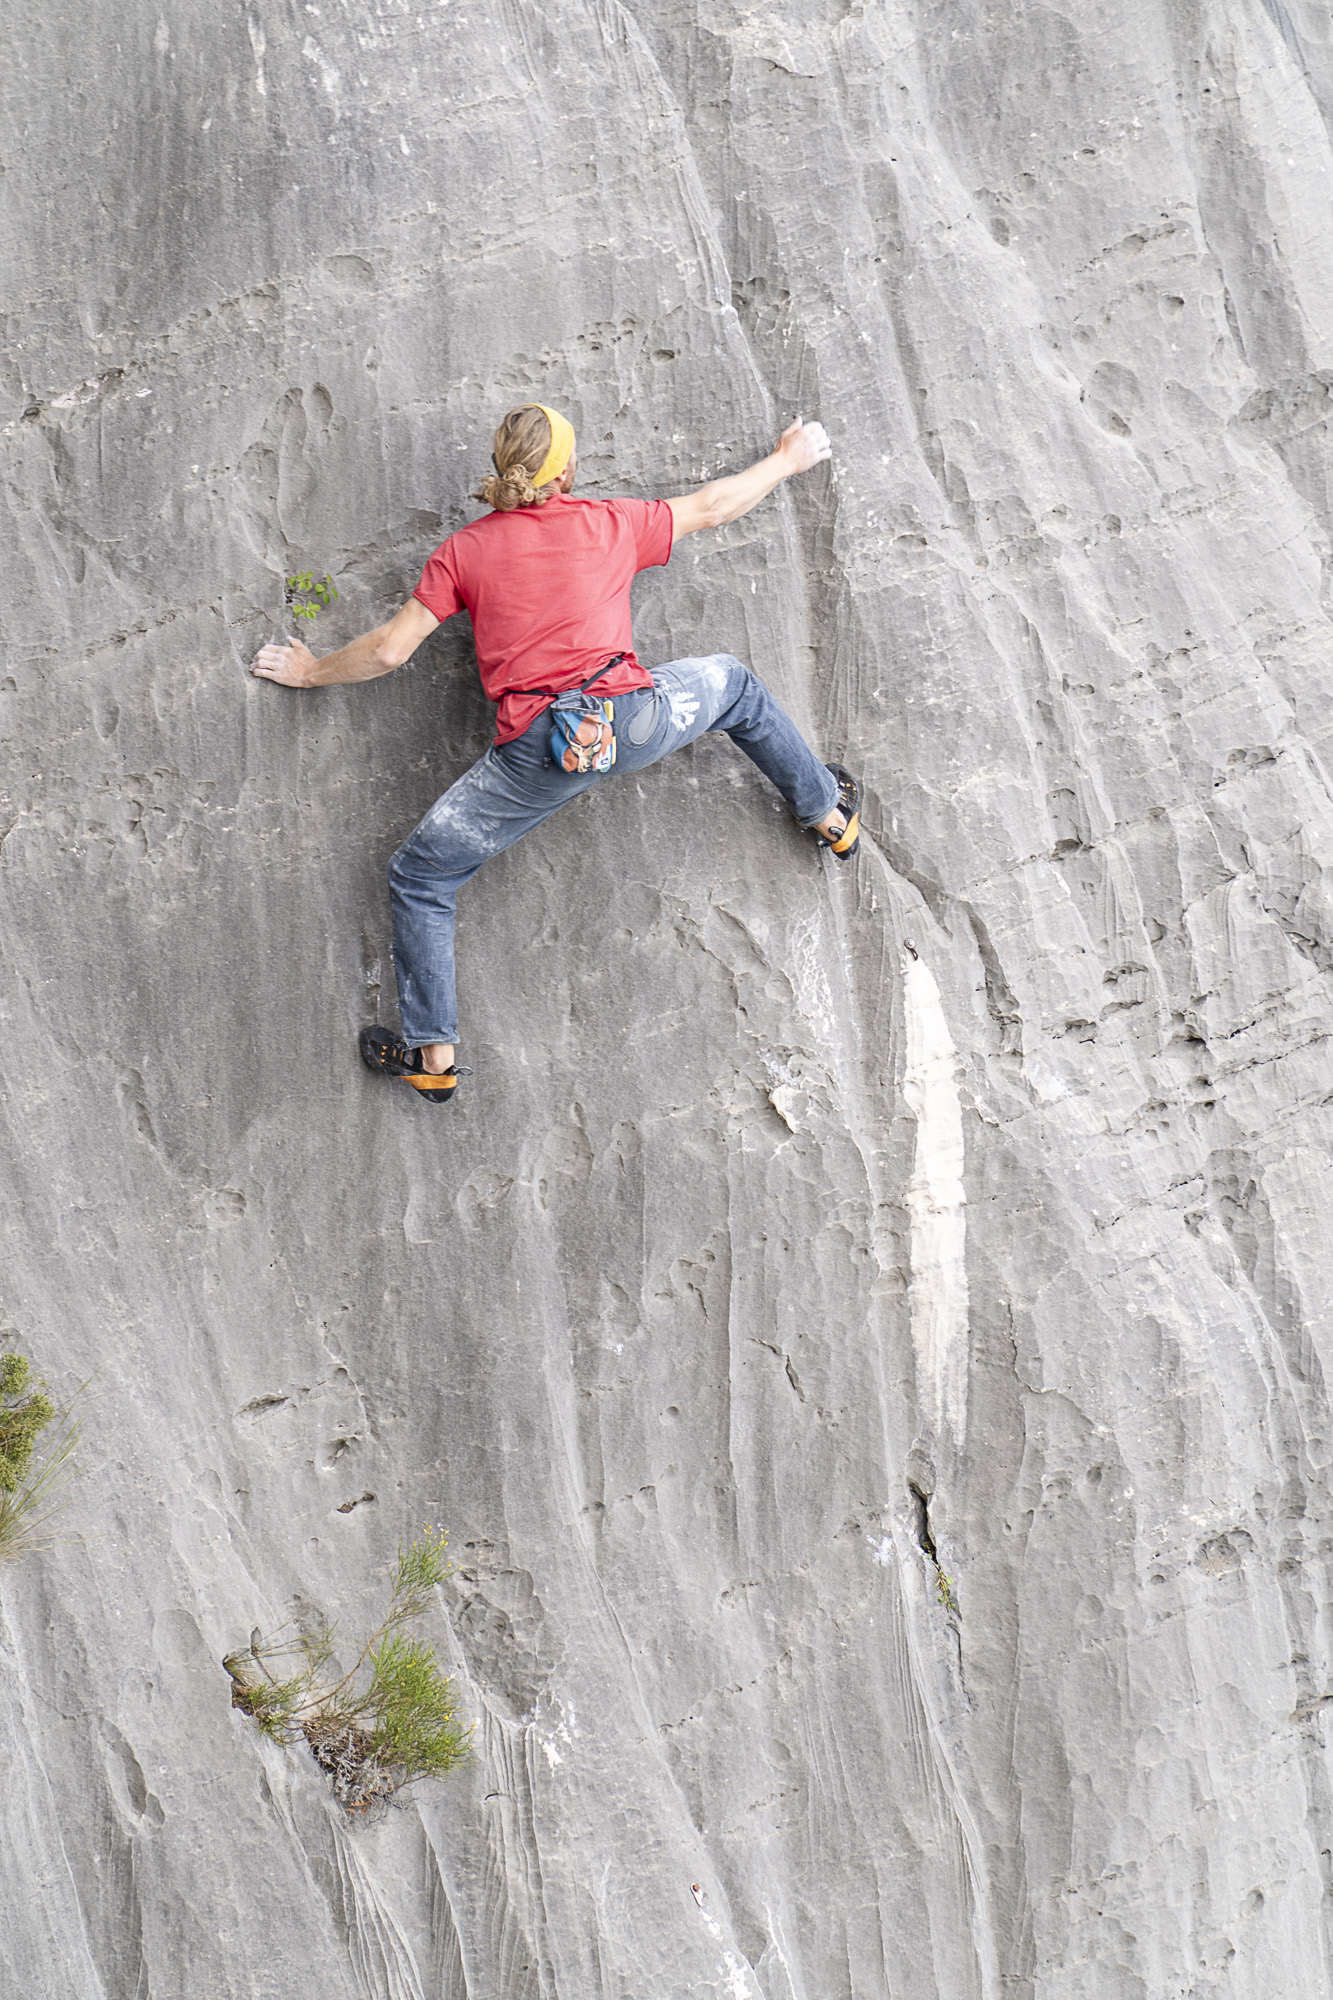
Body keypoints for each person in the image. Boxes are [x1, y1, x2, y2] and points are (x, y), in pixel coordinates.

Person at [251, 403, 860, 1103]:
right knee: (733, 686)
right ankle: (828, 817)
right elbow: (715, 507)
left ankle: (433, 1059)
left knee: (421, 878)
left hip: (539, 755)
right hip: (631, 721)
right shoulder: (609, 522)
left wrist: (311, 670)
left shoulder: (465, 552)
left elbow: (390, 648)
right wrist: (788, 458)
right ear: (566, 470)